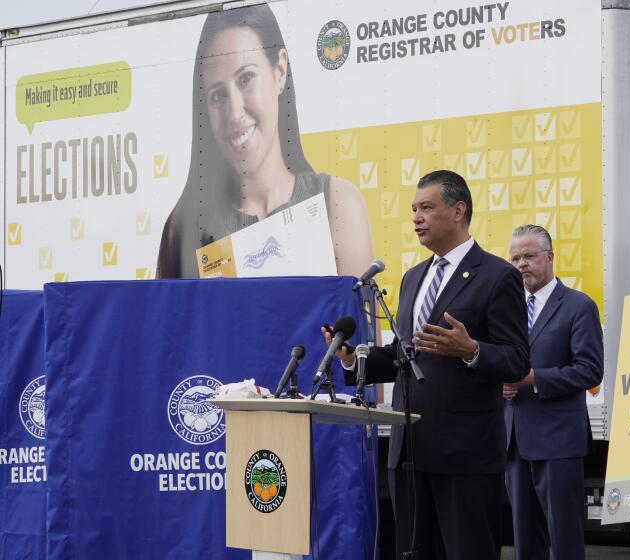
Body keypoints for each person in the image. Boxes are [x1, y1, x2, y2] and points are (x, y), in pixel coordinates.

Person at [327, 170, 530, 559]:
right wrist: (354, 360)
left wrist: (470, 349)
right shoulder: (414, 278)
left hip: (464, 456)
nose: (416, 217)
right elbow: (406, 356)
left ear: (458, 211)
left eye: (426, 208)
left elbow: (517, 360)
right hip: (410, 453)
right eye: (413, 210)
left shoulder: (497, 276)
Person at [157, 4, 372, 278]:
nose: (235, 113)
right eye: (217, 96)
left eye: (246, 78)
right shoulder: (186, 226)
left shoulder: (338, 202)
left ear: (280, 70)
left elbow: (362, 318)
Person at [503, 224, 604, 560]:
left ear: (549, 257)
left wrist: (533, 378)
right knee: (524, 538)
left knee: (564, 538)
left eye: (529, 256)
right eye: (515, 257)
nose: (521, 264)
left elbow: (590, 370)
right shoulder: (508, 310)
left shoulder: (578, 306)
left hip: (559, 440)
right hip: (514, 439)